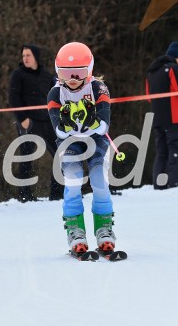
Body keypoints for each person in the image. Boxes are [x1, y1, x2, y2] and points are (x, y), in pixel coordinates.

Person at [47, 41, 122, 260]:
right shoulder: (55, 93)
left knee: (99, 181)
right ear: (58, 72)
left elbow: (104, 125)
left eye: (79, 73)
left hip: (97, 141)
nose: (73, 80)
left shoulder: (98, 88)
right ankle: (75, 230)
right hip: (70, 142)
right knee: (73, 181)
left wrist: (92, 121)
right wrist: (72, 123)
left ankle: (104, 228)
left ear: (88, 70)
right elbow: (59, 131)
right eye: (66, 73)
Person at [8, 44, 61, 202]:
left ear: (36, 57)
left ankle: (57, 193)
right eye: (23, 55)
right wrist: (22, 119)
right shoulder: (18, 75)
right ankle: (24, 194)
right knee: (26, 157)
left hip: (47, 120)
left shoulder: (46, 75)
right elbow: (13, 98)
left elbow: (54, 96)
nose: (25, 58)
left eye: (28, 55)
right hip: (28, 122)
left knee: (60, 153)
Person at [146, 41, 178, 189]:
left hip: (157, 117)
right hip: (173, 117)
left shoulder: (151, 71)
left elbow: (148, 96)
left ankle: (159, 183)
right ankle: (174, 181)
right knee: (175, 148)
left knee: (161, 150)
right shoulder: (173, 68)